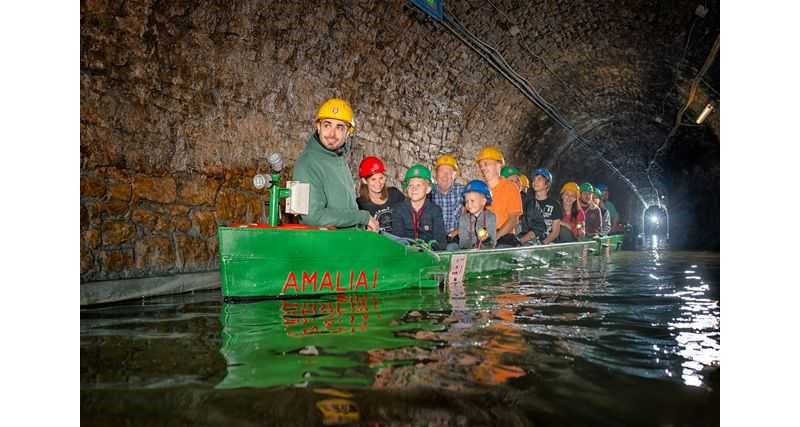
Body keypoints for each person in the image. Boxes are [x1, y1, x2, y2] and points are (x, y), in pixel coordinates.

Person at [292, 98, 379, 231]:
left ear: (348, 132)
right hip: (328, 246)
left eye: (339, 127)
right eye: (327, 125)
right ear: (318, 127)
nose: (332, 134)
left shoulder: (337, 158)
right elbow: (314, 217)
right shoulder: (308, 163)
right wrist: (362, 217)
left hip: (348, 240)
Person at [475, 146, 523, 247]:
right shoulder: (479, 190)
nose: (482, 168)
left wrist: (496, 237)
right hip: (485, 238)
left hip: (504, 237)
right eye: (481, 165)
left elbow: (514, 219)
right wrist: (484, 238)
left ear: (499, 165)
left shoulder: (510, 187)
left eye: (486, 164)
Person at [391, 164, 447, 250]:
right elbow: (398, 239)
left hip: (429, 255)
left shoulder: (435, 211)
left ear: (428, 189)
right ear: (406, 189)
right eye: (410, 185)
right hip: (406, 254)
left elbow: (440, 241)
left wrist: (428, 250)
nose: (414, 189)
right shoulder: (398, 210)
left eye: (418, 185)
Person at [356, 156, 404, 233]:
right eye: (373, 179)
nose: (378, 183)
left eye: (381, 178)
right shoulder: (360, 205)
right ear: (364, 181)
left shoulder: (395, 194)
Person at [519, 168, 563, 245]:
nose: (535, 182)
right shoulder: (528, 203)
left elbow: (555, 232)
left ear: (547, 184)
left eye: (539, 179)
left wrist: (542, 244)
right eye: (534, 179)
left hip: (547, 243)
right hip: (528, 242)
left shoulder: (554, 205)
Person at [430, 154, 465, 247]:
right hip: (433, 238)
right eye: (441, 171)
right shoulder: (428, 194)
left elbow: (474, 215)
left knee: (451, 249)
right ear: (436, 175)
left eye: (449, 172)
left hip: (456, 238)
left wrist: (459, 230)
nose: (445, 175)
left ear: (454, 175)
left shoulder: (463, 191)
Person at [458, 180, 497, 249]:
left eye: (472, 201)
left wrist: (486, 240)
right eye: (466, 201)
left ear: (483, 201)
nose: (469, 204)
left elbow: (492, 244)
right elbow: (462, 243)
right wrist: (473, 246)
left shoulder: (490, 217)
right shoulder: (463, 219)